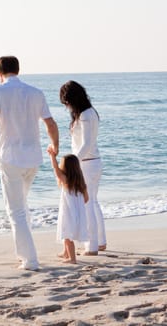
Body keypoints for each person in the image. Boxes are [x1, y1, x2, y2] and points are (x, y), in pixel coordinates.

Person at [0, 56, 59, 271]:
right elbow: (50, 123)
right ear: (18, 69)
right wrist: (55, 145)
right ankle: (23, 254)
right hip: (32, 158)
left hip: (11, 158)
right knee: (22, 206)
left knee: (16, 210)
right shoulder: (36, 93)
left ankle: (30, 260)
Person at [59, 80, 107, 255]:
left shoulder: (86, 114)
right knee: (93, 202)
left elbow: (86, 143)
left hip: (86, 163)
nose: (67, 106)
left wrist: (73, 162)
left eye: (66, 102)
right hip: (92, 161)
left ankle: (92, 246)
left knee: (87, 204)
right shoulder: (89, 112)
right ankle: (100, 242)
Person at [47, 148, 88, 264]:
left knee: (67, 235)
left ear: (66, 168)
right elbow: (86, 199)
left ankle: (72, 259)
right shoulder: (81, 182)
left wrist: (52, 156)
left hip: (68, 212)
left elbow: (55, 169)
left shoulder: (66, 181)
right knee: (66, 233)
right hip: (77, 213)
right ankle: (66, 253)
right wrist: (77, 204)